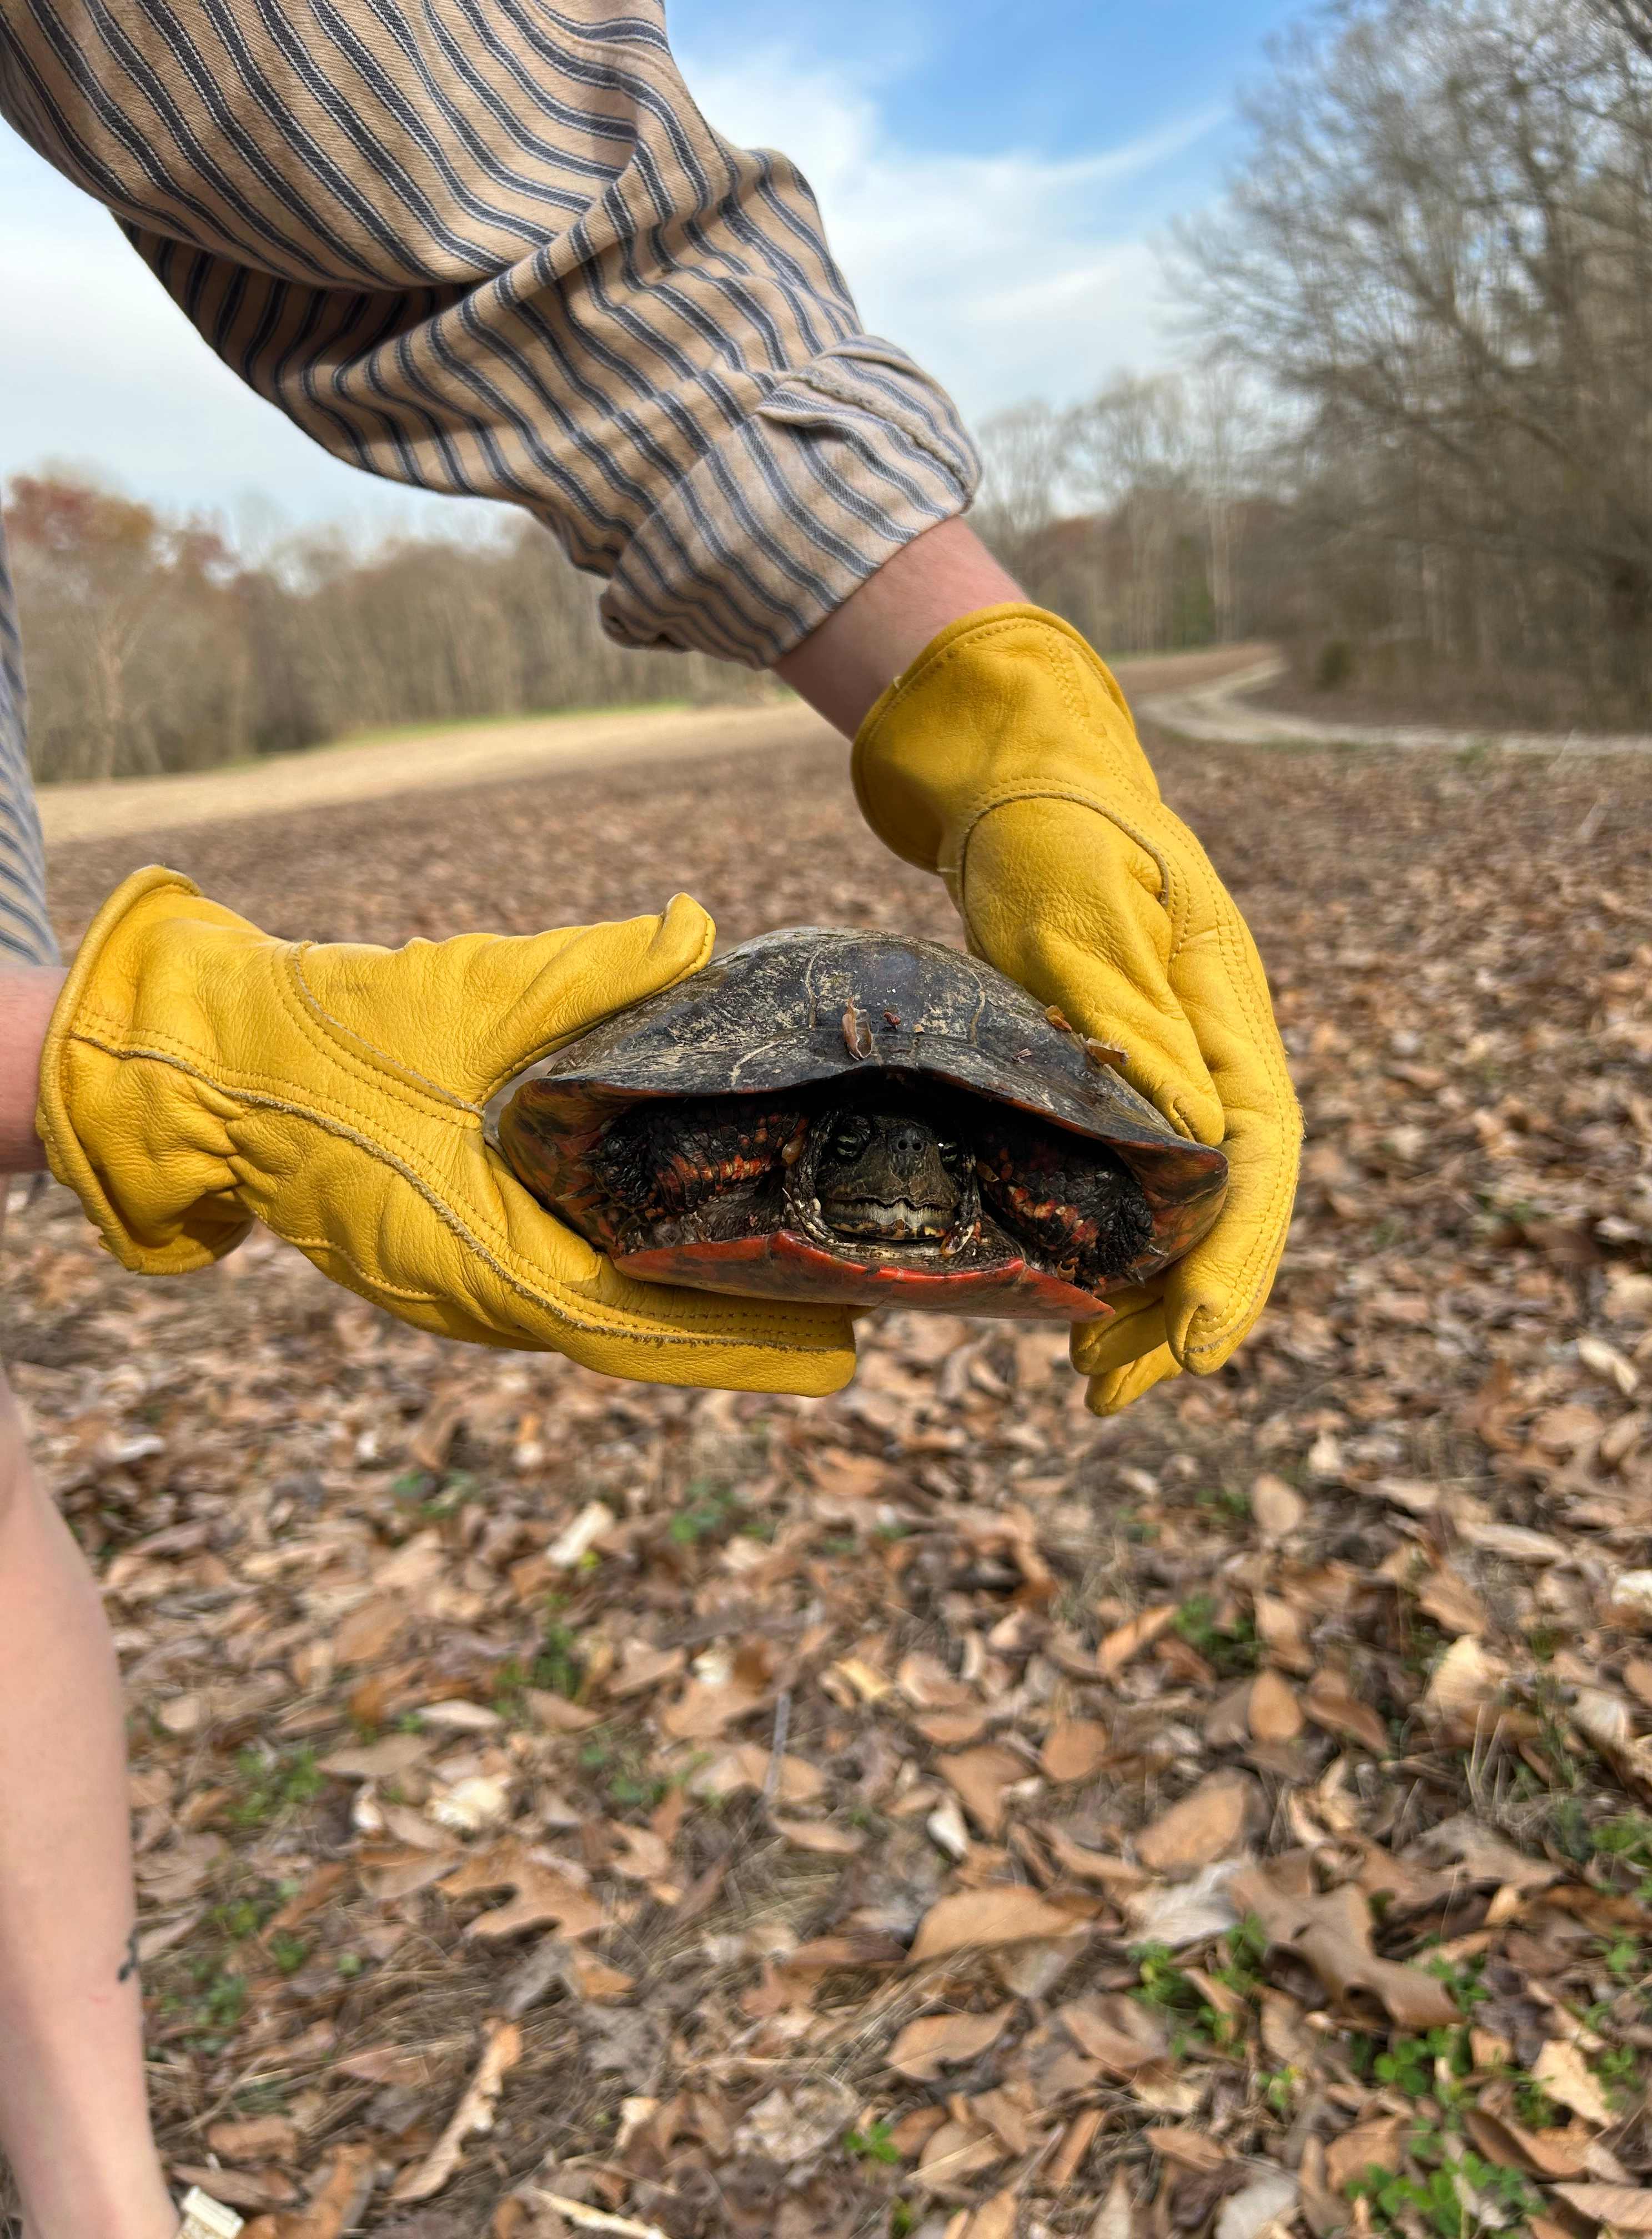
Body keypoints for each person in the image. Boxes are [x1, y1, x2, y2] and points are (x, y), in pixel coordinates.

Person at [0, 3, 1301, 2232]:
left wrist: (981, 673)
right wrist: (147, 1051)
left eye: (923, 1177)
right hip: (724, 1085)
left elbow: (425, 127)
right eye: (861, 1168)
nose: (889, 1187)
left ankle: (85, 2191)